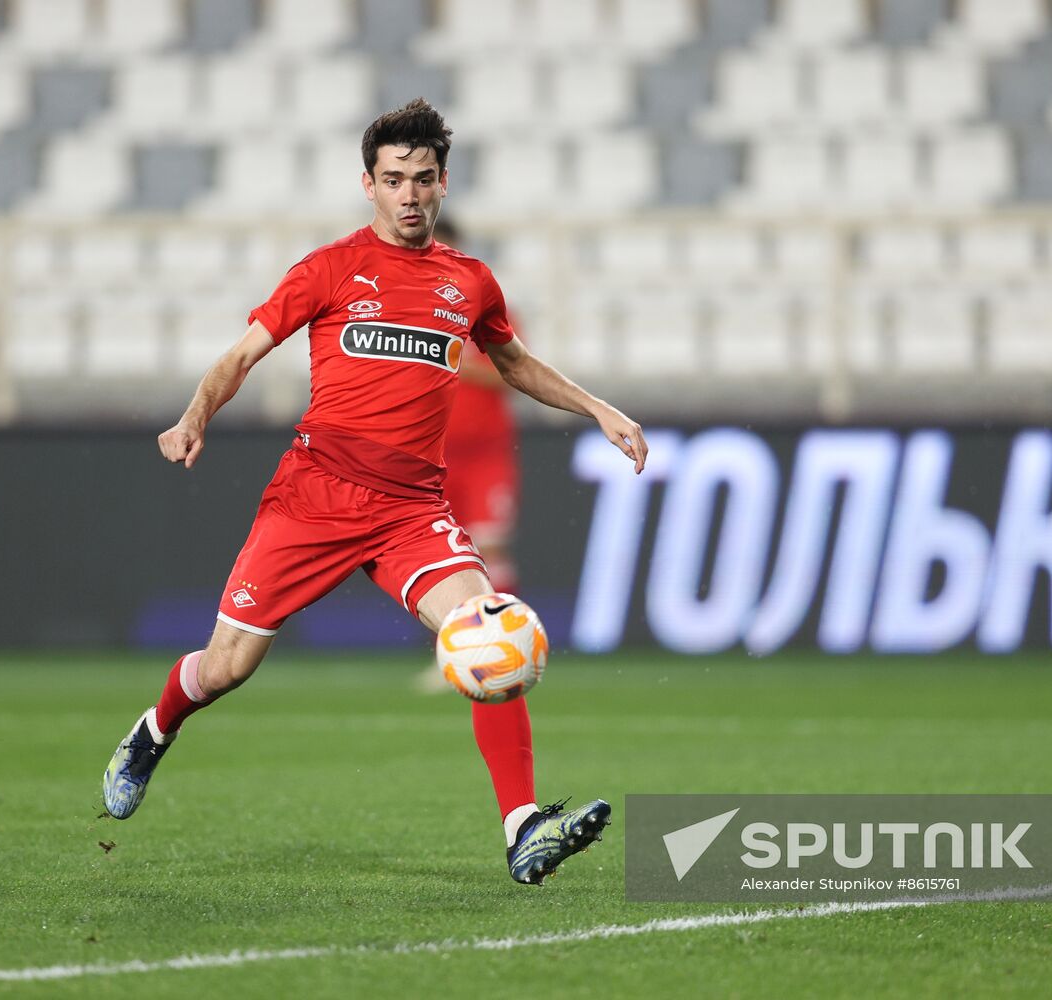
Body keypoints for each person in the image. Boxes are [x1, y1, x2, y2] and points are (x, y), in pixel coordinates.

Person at [101, 99, 648, 886]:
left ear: (443, 183)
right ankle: (154, 731)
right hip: (313, 498)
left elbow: (517, 364)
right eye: (394, 180)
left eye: (423, 179)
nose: (410, 195)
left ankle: (523, 827)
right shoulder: (327, 270)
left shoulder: (469, 282)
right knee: (224, 669)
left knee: (483, 634)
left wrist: (599, 408)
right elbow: (242, 354)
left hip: (410, 512)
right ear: (369, 184)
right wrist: (193, 418)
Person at [415, 217, 521, 694]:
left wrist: (457, 359)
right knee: (442, 561)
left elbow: (514, 374)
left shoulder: (486, 307)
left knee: (489, 548)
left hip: (484, 453)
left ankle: (503, 650)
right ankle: (455, 656)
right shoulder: (406, 315)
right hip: (429, 455)